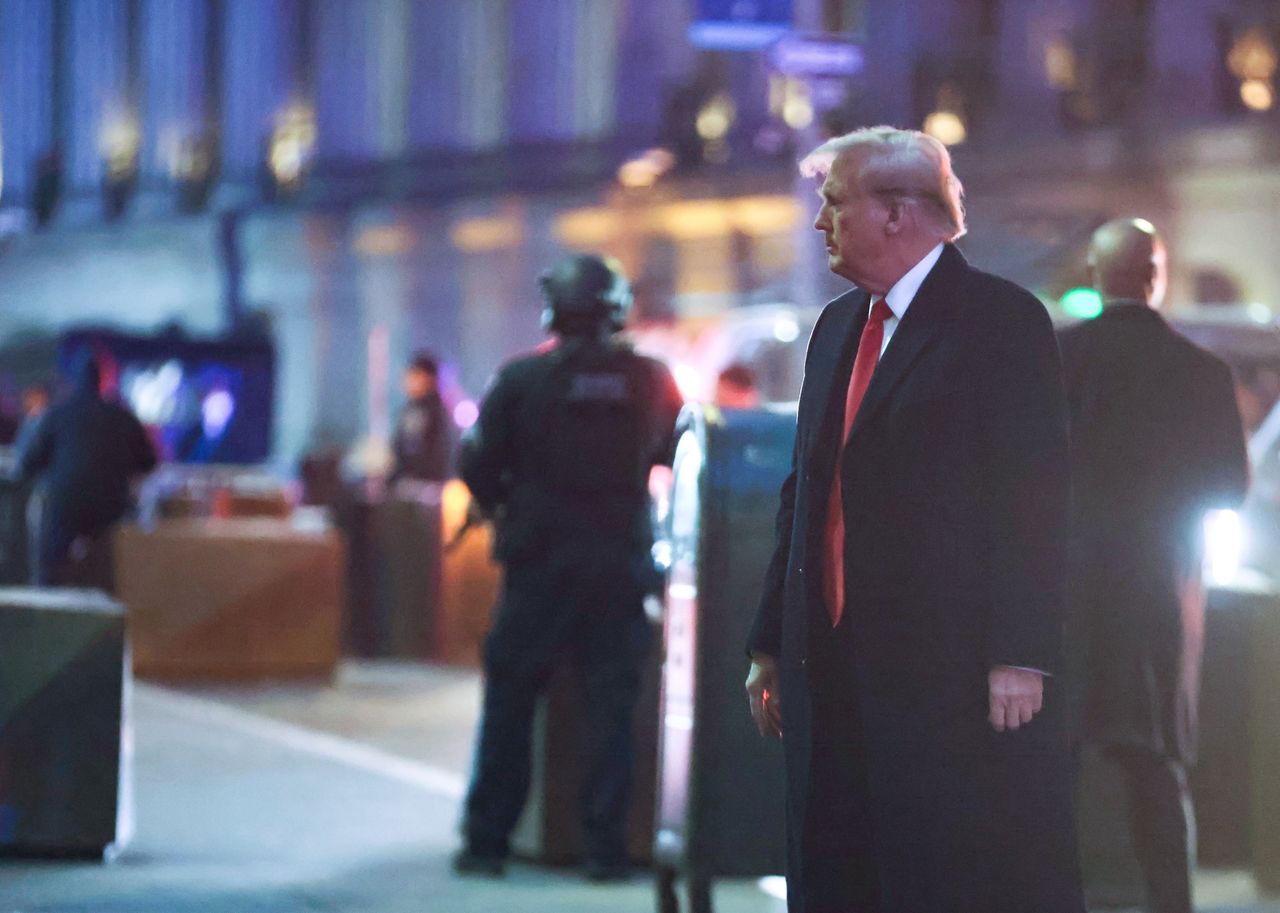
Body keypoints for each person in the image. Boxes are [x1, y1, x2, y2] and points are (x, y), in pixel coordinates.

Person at [744, 127, 1084, 913]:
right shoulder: (835, 327)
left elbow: (1033, 494)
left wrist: (1020, 653)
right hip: (826, 663)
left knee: (933, 871)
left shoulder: (1000, 321)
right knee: (835, 869)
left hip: (943, 671)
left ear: (897, 213)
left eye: (834, 203)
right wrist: (770, 637)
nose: (820, 223)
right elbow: (806, 493)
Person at [454, 253, 683, 881]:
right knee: (612, 712)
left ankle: (487, 843)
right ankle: (605, 851)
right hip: (619, 568)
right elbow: (680, 455)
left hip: (539, 567)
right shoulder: (651, 380)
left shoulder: (523, 380)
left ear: (555, 308)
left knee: (510, 704)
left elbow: (476, 461)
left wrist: (504, 501)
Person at [1059, 218, 1249, 913]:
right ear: (1155, 274)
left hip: (1067, 596)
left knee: (1060, 769)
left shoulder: (1056, 359)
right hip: (1160, 598)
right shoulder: (1203, 372)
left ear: (1095, 276)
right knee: (1156, 769)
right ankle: (1171, 903)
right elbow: (1228, 488)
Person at [18, 352, 156, 588]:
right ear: (106, 380)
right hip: (111, 508)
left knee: (50, 568)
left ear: (71, 381)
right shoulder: (123, 417)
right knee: (108, 569)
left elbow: (28, 464)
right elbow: (149, 462)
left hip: (65, 505)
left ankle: (46, 595)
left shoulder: (57, 415)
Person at [390, 352, 451, 487]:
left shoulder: (432, 412)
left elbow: (435, 454)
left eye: (413, 375)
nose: (407, 381)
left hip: (424, 488)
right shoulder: (410, 409)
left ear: (427, 378)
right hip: (411, 484)